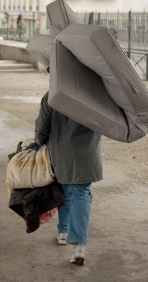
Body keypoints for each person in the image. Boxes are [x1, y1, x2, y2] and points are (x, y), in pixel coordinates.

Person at [35, 87, 103, 266]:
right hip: (87, 152)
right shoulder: (94, 95)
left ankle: (63, 232)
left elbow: (42, 126)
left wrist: (40, 141)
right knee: (81, 193)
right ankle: (79, 244)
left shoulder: (53, 95)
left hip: (60, 152)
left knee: (63, 189)